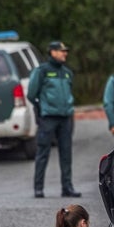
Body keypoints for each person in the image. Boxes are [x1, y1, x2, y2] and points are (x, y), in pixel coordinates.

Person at [27, 41, 80, 198]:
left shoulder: (66, 72)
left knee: (66, 153)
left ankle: (67, 187)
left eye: (65, 51)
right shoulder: (42, 71)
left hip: (65, 118)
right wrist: (42, 109)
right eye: (61, 51)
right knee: (43, 152)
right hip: (48, 118)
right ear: (52, 52)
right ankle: (38, 188)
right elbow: (31, 94)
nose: (65, 53)